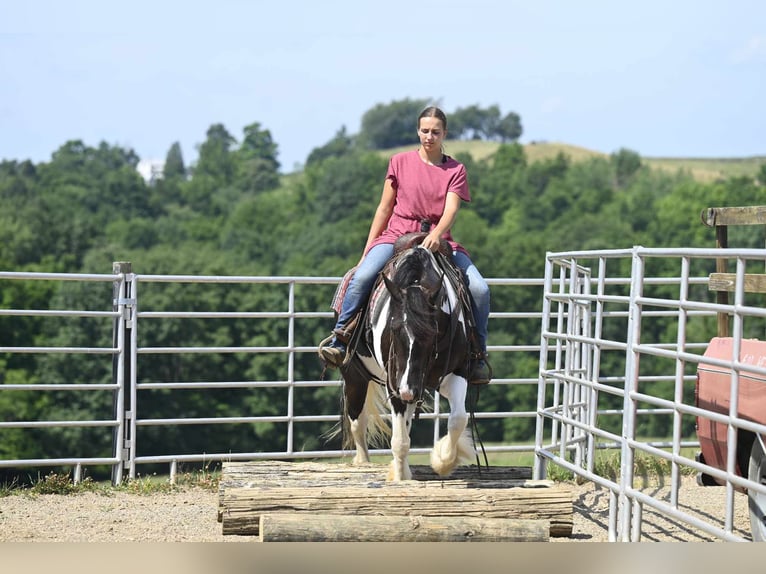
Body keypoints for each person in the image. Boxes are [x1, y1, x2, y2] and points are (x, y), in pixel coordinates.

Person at [319, 105, 491, 384]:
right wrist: (369, 247)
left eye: (436, 132)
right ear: (417, 131)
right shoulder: (399, 162)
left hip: (439, 239)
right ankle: (341, 339)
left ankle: (476, 354)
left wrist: (438, 233)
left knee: (480, 290)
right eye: (425, 131)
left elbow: (451, 210)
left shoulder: (455, 169)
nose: (429, 137)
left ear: (445, 133)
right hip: (397, 234)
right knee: (362, 276)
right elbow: (384, 208)